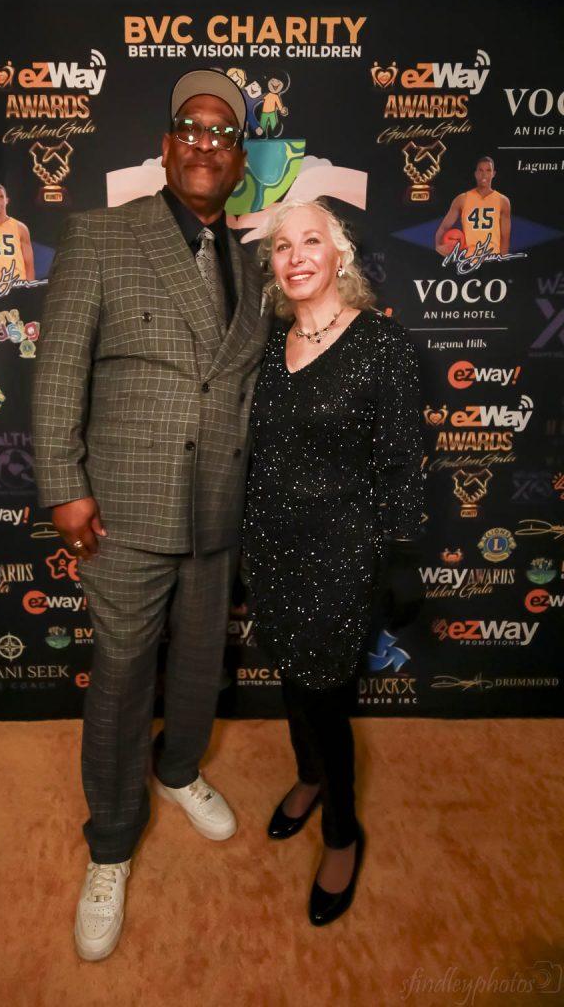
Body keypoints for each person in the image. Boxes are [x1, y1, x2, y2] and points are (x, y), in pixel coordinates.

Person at [32, 69, 270, 961]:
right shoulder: (101, 234)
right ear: (168, 147)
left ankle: (179, 770)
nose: (207, 143)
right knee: (124, 679)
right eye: (191, 128)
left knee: (201, 667)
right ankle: (109, 845)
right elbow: (60, 369)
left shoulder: (253, 264)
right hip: (124, 509)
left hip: (217, 510)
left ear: (239, 162)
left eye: (224, 133)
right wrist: (64, 485)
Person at [243, 198, 423, 927]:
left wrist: (399, 556)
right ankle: (308, 775)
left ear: (339, 254)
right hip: (269, 549)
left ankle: (343, 830)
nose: (296, 257)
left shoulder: (384, 346)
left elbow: (401, 463)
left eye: (311, 241)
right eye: (283, 246)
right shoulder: (266, 348)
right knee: (292, 677)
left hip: (340, 555)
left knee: (322, 693)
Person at [435, 156, 511, 256]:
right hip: (469, 259)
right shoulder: (462, 199)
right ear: (476, 174)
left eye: (488, 170)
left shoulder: (503, 201)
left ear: (493, 174)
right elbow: (444, 228)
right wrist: (438, 246)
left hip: (492, 257)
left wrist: (503, 261)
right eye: (481, 170)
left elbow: (505, 237)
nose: (484, 174)